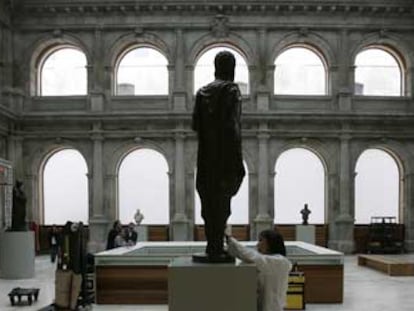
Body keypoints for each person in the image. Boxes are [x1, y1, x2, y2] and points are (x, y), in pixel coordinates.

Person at [192, 50, 245, 261]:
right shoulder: (232, 90)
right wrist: (237, 160)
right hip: (225, 159)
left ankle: (212, 246)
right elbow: (233, 127)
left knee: (208, 206)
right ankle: (216, 248)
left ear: (215, 68)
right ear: (231, 69)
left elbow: (195, 125)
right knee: (222, 206)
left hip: (205, 160)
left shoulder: (201, 92)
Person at [226, 229, 292, 311]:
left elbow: (251, 256)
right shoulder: (272, 262)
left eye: (261, 240)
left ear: (271, 242)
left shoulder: (280, 262)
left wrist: (230, 239)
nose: (258, 244)